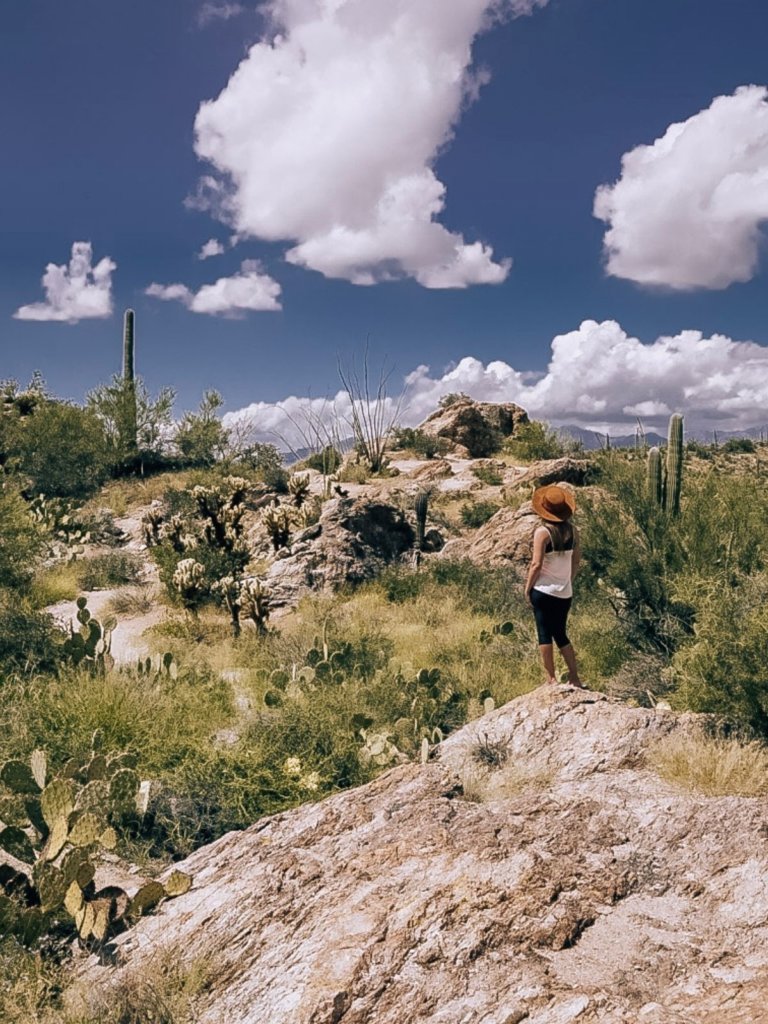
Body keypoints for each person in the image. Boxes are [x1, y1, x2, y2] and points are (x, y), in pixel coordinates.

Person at [524, 484, 584, 687]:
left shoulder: (542, 532)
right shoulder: (574, 532)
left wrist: (527, 588)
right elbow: (576, 561)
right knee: (561, 633)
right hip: (564, 592)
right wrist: (569, 580)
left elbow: (536, 564)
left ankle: (550, 678)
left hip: (542, 591)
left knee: (544, 633)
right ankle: (574, 677)